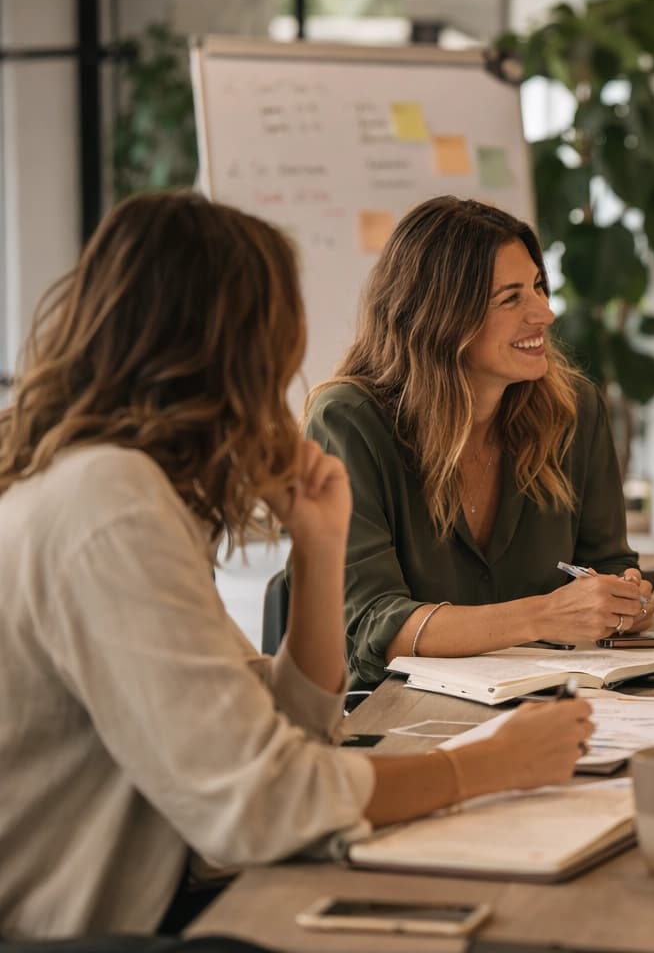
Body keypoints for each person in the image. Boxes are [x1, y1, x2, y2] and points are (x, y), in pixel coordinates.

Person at [0, 193, 592, 939]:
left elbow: (291, 736)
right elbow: (262, 804)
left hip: (159, 897)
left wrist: (317, 548)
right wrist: (487, 766)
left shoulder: (118, 483)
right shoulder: (108, 503)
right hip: (96, 930)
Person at [305, 197, 652, 688]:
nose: (545, 313)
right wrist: (545, 615)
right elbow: (371, 628)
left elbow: (608, 563)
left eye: (538, 286)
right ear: (441, 315)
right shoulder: (348, 422)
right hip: (390, 707)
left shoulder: (575, 409)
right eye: (510, 299)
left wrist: (624, 599)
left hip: (548, 694)